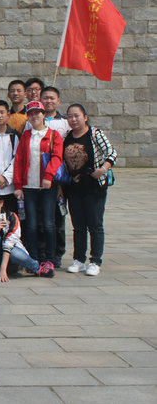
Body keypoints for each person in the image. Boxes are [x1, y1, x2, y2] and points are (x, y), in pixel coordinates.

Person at [63, 103, 117, 277]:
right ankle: (78, 260)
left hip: (94, 187)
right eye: (69, 116)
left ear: (85, 117)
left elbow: (111, 152)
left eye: (76, 116)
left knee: (95, 224)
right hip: (74, 188)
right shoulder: (66, 136)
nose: (73, 119)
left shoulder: (95, 133)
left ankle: (95, 261)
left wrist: (103, 169)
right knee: (78, 226)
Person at [13, 100, 63, 271]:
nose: (35, 116)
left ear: (43, 115)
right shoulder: (26, 136)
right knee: (31, 224)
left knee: (49, 223)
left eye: (37, 113)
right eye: (31, 114)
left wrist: (48, 176)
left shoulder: (53, 135)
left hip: (47, 187)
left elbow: (57, 157)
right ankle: (33, 258)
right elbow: (19, 160)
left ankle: (50, 258)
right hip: (29, 187)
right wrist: (18, 185)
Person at [0, 190, 54, 281]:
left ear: (1, 203)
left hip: (11, 254)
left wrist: (3, 270)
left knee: (14, 253)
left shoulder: (11, 217)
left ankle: (36, 267)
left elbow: (9, 244)